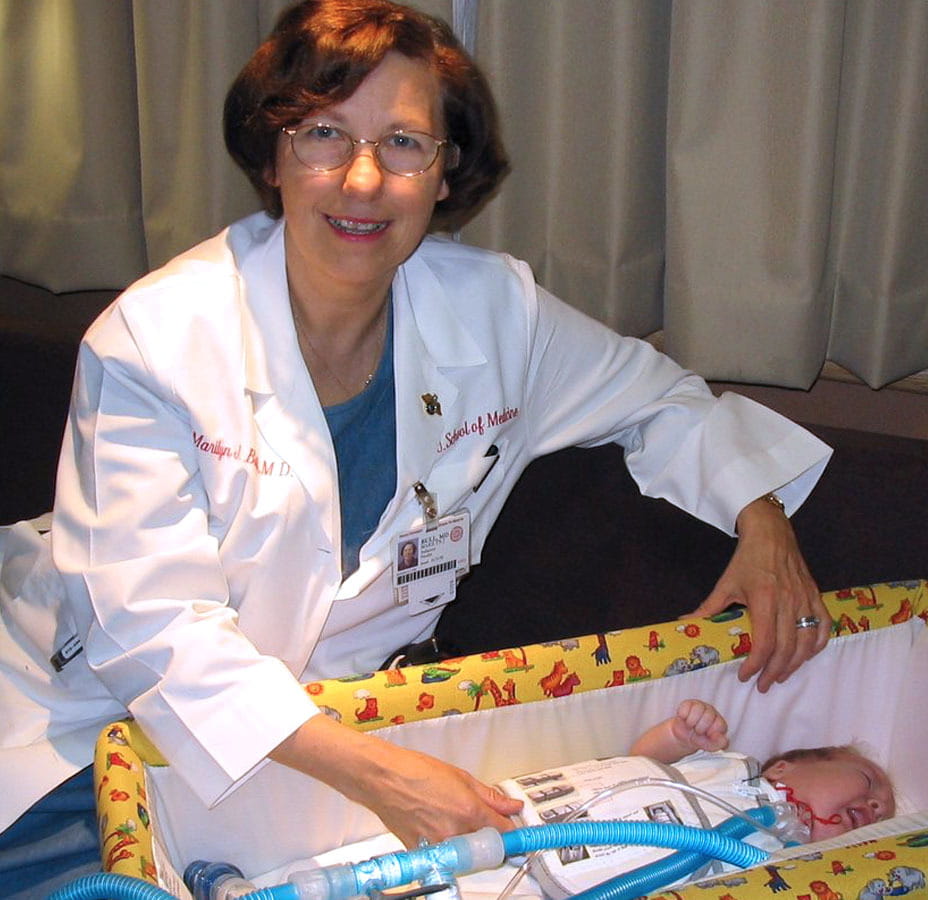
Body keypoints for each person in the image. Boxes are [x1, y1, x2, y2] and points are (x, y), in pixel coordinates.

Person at [0, 0, 833, 892]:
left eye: (403, 143)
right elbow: (156, 635)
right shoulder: (155, 341)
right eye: (323, 134)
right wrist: (391, 780)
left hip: (344, 734)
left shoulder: (495, 313)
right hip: (94, 732)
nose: (362, 180)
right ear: (273, 157)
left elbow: (663, 398)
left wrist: (763, 521)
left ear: (445, 175)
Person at [495, 700, 895, 898]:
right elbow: (638, 766)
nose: (875, 806)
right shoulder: (730, 767)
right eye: (867, 779)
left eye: (881, 820)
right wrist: (680, 736)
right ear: (784, 767)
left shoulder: (786, 866)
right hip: (526, 824)